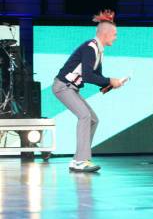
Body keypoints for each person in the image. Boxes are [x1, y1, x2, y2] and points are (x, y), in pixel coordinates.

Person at [52, 10, 125, 172]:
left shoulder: (99, 50)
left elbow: (96, 76)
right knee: (84, 116)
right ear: (105, 34)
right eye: (114, 34)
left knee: (93, 119)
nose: (116, 37)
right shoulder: (90, 48)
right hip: (63, 86)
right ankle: (81, 161)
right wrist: (109, 81)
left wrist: (111, 84)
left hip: (70, 88)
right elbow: (88, 75)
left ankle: (78, 159)